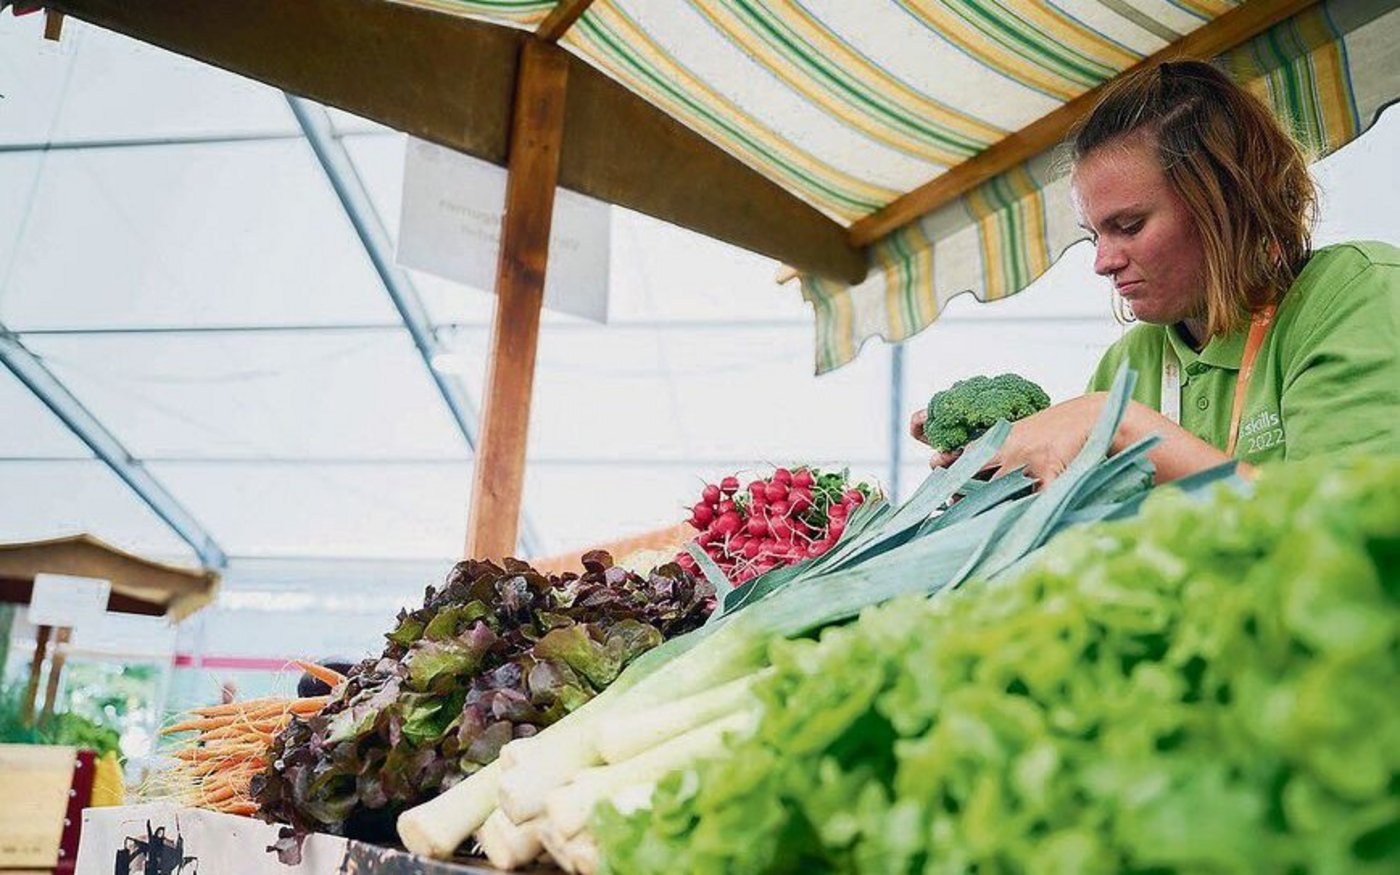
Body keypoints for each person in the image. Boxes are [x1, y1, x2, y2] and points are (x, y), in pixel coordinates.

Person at [913, 60, 1398, 483]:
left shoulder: (1352, 294)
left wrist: (1115, 421)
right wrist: (999, 484)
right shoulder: (1127, 365)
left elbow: (1351, 524)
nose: (1103, 263)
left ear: (1226, 204)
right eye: (1094, 235)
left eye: (1128, 226)